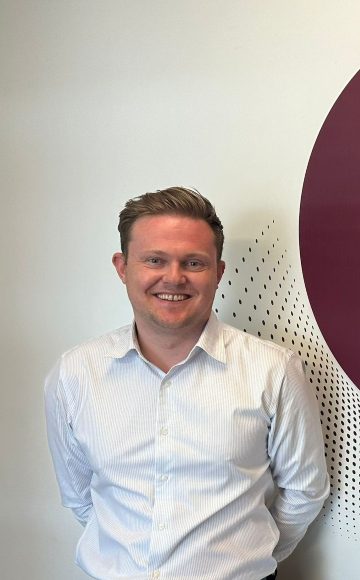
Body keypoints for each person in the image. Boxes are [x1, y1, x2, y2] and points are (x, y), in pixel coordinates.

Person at [44, 187, 329, 580]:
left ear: (218, 272)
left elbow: (305, 490)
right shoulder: (75, 373)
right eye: (155, 260)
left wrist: (246, 560)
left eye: (193, 262)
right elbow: (79, 497)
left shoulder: (273, 370)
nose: (173, 278)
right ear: (123, 267)